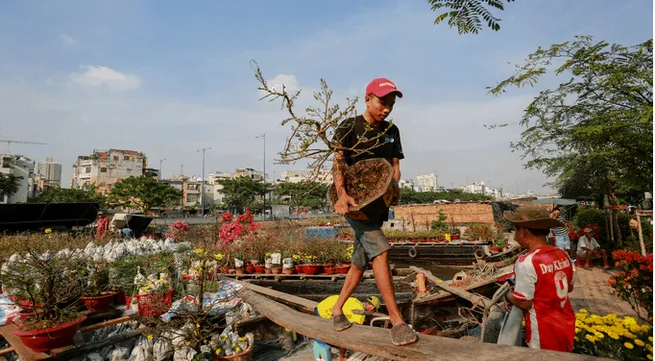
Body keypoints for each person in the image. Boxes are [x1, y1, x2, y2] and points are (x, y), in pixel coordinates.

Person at [331, 78, 417, 346]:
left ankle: (337, 310)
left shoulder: (393, 130)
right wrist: (343, 194)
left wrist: (394, 188)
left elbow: (395, 166)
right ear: (367, 98)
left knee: (360, 258)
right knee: (380, 249)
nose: (387, 109)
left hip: (377, 205)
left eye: (390, 104)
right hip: (354, 205)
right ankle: (397, 321)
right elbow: (338, 163)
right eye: (382, 102)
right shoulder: (348, 127)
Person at [503, 206, 576, 352]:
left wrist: (508, 296)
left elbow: (523, 301)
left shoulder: (527, 261)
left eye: (515, 230)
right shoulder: (562, 254)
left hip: (543, 334)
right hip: (566, 326)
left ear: (524, 232)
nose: (515, 234)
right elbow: (570, 287)